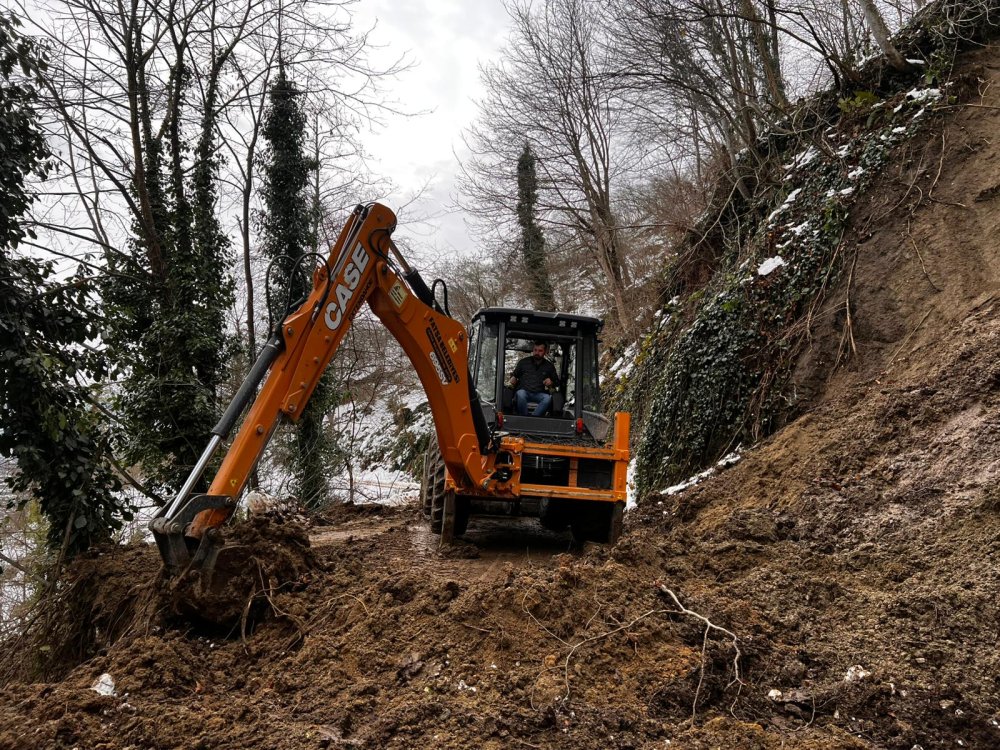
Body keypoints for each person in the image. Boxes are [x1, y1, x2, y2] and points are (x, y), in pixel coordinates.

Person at [508, 341, 559, 416]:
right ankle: (524, 417)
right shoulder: (523, 362)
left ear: (545, 352)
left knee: (547, 398)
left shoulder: (549, 366)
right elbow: (514, 376)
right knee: (520, 393)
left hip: (539, 393)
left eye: (540, 351)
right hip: (524, 391)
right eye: (535, 350)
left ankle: (534, 417)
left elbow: (557, 382)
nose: (537, 353)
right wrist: (511, 382)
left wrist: (551, 382)